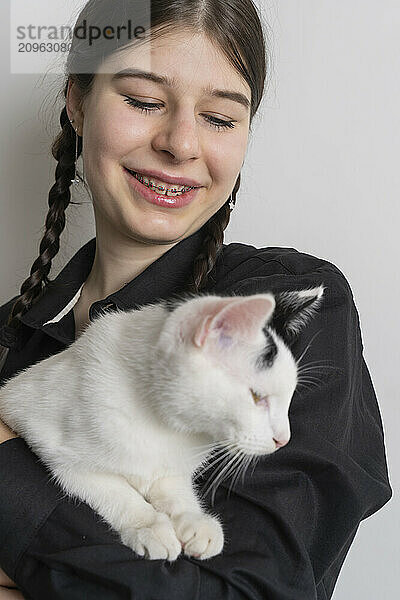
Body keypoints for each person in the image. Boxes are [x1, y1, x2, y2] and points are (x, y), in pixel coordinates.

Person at [0, 1, 392, 598]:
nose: (182, 143)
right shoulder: (11, 338)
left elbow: (249, 591)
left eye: (220, 117)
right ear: (78, 103)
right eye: (143, 101)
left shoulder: (289, 312)